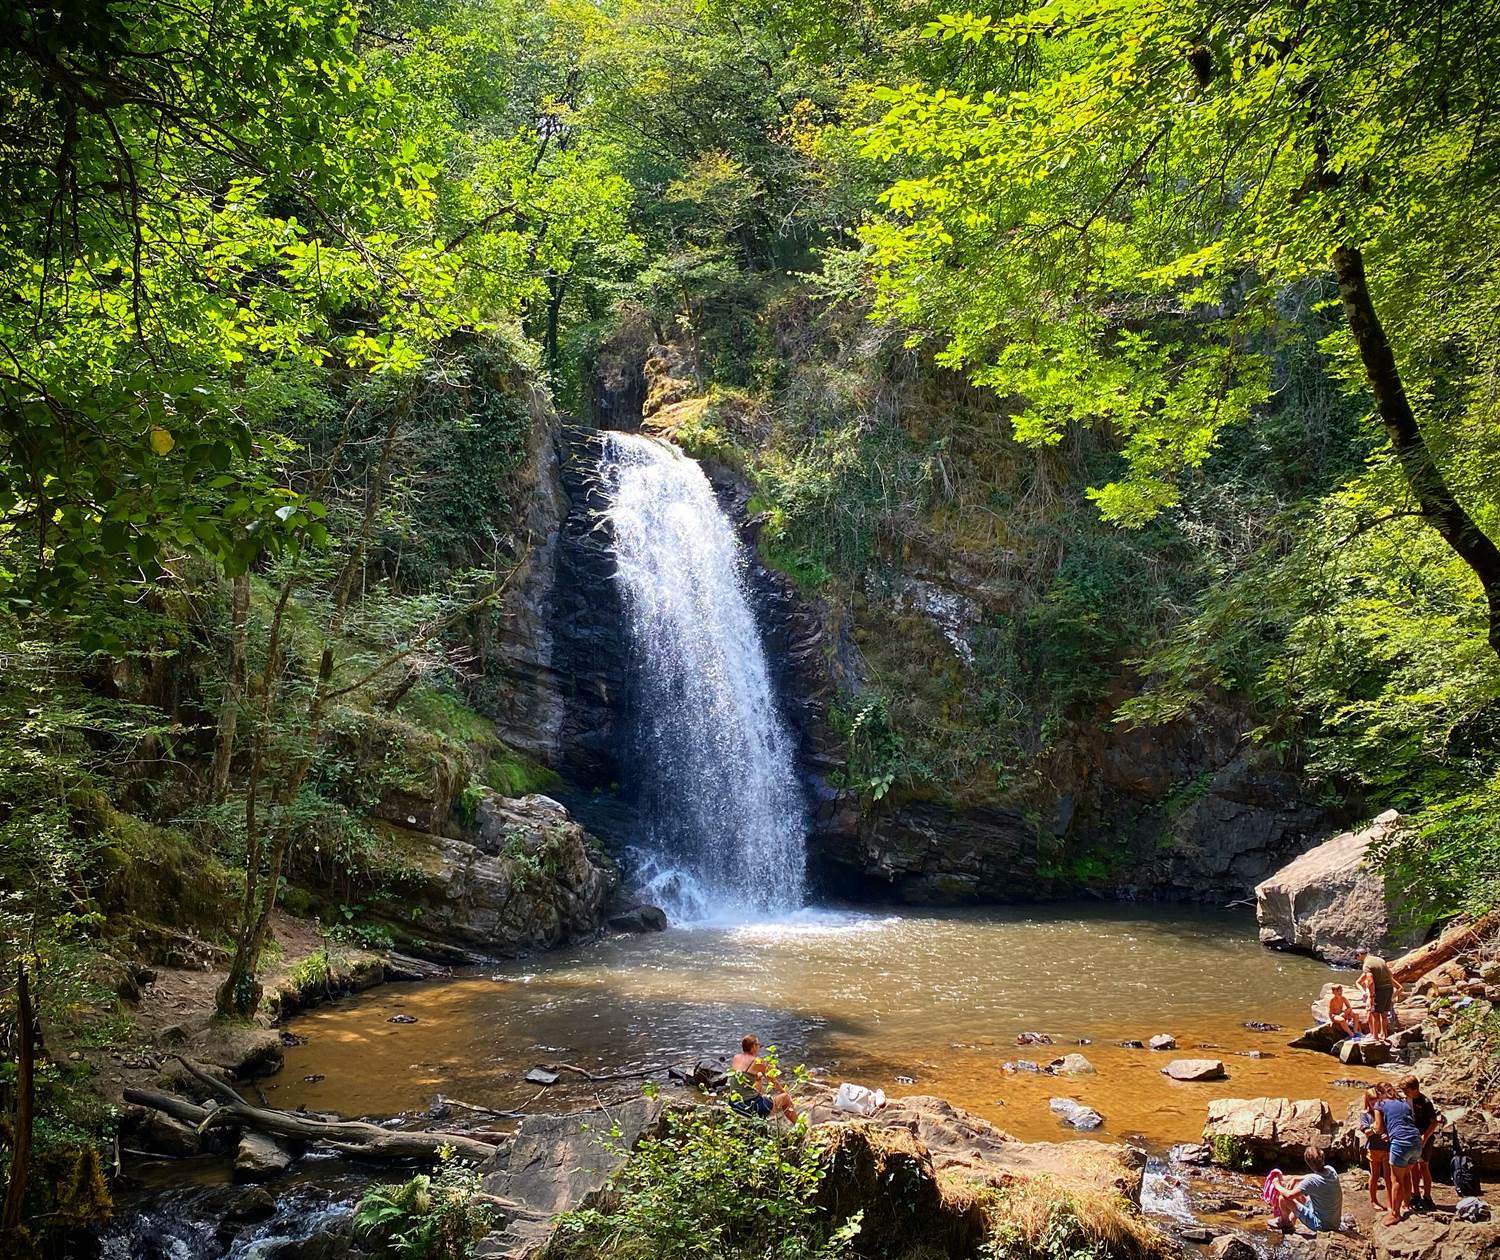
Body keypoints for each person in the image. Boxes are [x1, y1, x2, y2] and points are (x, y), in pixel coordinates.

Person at [1374, 1082, 1422, 1225]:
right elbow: (1405, 1122)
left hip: (1401, 1143)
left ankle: (1395, 1214)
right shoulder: (1403, 1102)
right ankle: (1405, 1205)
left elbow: (1378, 1128)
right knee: (1405, 1174)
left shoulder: (1380, 1104)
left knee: (1396, 1180)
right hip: (1416, 1141)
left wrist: (1376, 1129)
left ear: (1379, 1093)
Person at [1267, 1146, 1344, 1233]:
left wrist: (1276, 1185)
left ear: (1308, 1163)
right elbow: (1313, 1176)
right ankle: (1291, 1222)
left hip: (1321, 1225)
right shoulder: (1331, 1170)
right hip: (1335, 1222)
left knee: (1283, 1198)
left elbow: (1289, 1195)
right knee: (1299, 1195)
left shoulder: (1312, 1181)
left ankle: (1286, 1223)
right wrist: (1296, 1178)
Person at [729, 1035, 796, 1121]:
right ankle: (797, 1126)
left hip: (734, 1104)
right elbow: (774, 1082)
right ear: (753, 1046)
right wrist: (785, 1092)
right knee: (785, 1098)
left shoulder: (736, 1057)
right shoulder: (757, 1062)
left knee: (758, 1077)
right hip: (750, 1107)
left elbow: (745, 1079)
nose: (759, 1047)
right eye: (758, 1045)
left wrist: (758, 1078)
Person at [1402, 1074, 1441, 1210]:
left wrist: (1425, 1137)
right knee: (1412, 1166)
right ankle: (1416, 1194)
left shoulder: (1425, 1102)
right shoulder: (1405, 1099)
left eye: (1406, 1090)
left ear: (1414, 1089)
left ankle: (1427, 1196)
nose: (1404, 1092)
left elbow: (1434, 1122)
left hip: (1424, 1138)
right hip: (1410, 1137)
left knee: (1423, 1166)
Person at [1357, 949, 1403, 1040]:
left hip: (1379, 990)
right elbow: (1390, 974)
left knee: (1375, 1014)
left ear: (1359, 955)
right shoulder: (1380, 960)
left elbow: (1370, 981)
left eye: (1356, 957)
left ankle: (1375, 1037)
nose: (1357, 959)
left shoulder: (1367, 964)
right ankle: (1384, 1035)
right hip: (1389, 988)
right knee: (1384, 1014)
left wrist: (1372, 996)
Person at [1359, 1085, 1393, 1211]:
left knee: (1388, 1176)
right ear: (1367, 1101)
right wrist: (1375, 1128)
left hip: (1386, 1147)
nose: (1374, 1103)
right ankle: (1373, 1200)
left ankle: (1390, 1202)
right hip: (1373, 1148)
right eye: (1372, 1101)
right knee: (1375, 1175)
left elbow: (1390, 1127)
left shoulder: (1384, 1112)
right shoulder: (1365, 1114)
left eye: (1376, 1100)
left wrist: (1387, 1134)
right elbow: (1366, 1131)